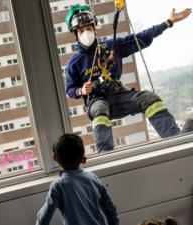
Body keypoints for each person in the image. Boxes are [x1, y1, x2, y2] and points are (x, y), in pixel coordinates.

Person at [64, 5, 192, 152]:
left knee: (149, 98)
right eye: (81, 31)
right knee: (100, 109)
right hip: (96, 101)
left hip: (119, 96)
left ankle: (174, 138)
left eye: (88, 29)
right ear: (76, 35)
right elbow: (70, 90)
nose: (86, 33)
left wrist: (168, 22)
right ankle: (106, 155)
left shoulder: (112, 46)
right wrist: (81, 90)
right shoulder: (74, 63)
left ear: (94, 28)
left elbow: (140, 38)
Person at [36, 133, 119, 225]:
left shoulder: (58, 186)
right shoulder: (92, 178)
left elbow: (44, 217)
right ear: (83, 159)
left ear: (55, 158)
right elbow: (110, 209)